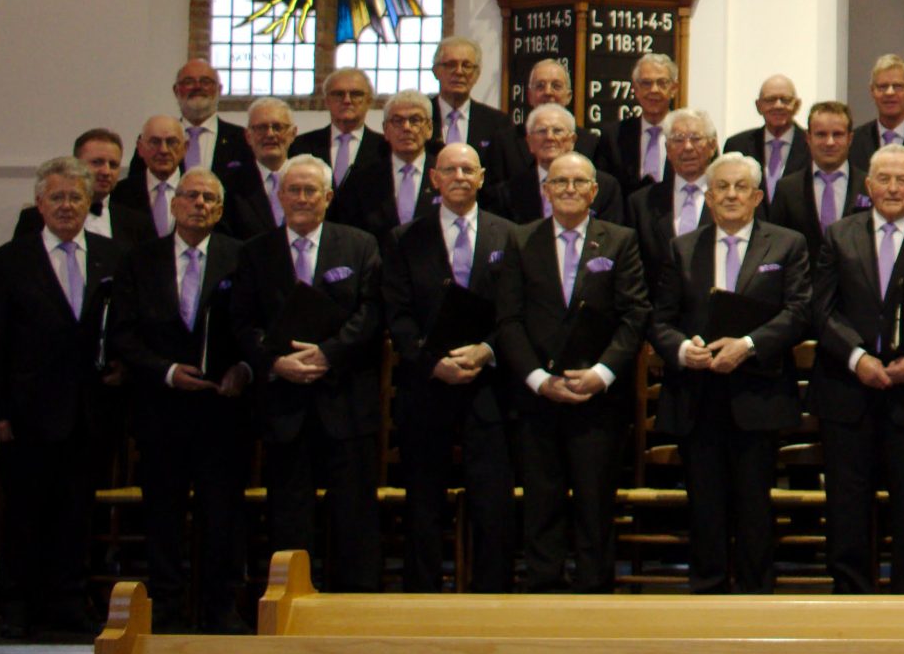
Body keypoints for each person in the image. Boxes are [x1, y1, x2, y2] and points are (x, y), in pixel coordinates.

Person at [648, 153, 811, 594]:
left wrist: (749, 346)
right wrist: (683, 350)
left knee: (755, 503)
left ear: (758, 196)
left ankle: (757, 594)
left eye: (741, 187)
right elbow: (660, 319)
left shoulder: (787, 244)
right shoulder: (682, 247)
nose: (732, 195)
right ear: (708, 195)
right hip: (698, 393)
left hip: (758, 394)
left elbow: (799, 312)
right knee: (704, 502)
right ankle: (707, 591)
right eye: (722, 187)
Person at [810, 144, 904, 594]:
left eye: (902, 180)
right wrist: (857, 358)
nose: (893, 187)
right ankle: (851, 590)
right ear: (868, 185)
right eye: (884, 179)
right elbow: (821, 310)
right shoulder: (838, 235)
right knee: (846, 499)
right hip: (847, 389)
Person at [497, 155, 651, 592]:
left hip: (597, 399)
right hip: (537, 397)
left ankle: (594, 595)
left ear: (593, 190)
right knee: (541, 503)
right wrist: (538, 380)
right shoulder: (521, 239)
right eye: (559, 181)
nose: (568, 188)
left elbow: (634, 314)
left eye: (578, 181)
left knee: (594, 504)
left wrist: (602, 374)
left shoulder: (620, 240)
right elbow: (508, 319)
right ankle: (543, 594)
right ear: (545, 189)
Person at [111, 165, 250, 631]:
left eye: (210, 199)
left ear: (221, 209)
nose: (199, 205)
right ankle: (167, 607)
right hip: (161, 409)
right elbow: (123, 335)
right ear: (173, 204)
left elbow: (255, 329)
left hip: (221, 412)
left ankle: (218, 607)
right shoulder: (140, 260)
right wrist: (167, 372)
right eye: (191, 196)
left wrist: (244, 369)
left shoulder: (241, 257)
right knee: (163, 513)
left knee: (221, 514)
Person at [0, 156, 129, 639]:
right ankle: (16, 603)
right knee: (25, 513)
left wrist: (121, 367)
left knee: (77, 512)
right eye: (57, 197)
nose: (67, 205)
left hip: (90, 412)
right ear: (39, 203)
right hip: (27, 416)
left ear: (90, 201)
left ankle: (68, 603)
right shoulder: (9, 260)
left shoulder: (113, 256)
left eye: (75, 196)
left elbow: (124, 330)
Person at [379, 142, 519, 593]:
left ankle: (491, 599)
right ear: (434, 179)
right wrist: (429, 361)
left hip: (489, 388)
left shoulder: (510, 235)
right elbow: (397, 315)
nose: (459, 176)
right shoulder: (405, 239)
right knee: (423, 503)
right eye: (449, 169)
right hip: (427, 387)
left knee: (491, 503)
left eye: (468, 169)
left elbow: (517, 313)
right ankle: (421, 597)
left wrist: (487, 350)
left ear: (480, 178)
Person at [239, 155, 383, 592]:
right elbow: (242, 322)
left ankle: (354, 605)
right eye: (293, 190)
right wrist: (274, 362)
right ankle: (292, 600)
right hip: (285, 403)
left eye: (310, 191)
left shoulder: (359, 245)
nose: (301, 198)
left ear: (328, 197)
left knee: (353, 512)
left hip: (345, 400)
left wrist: (328, 354)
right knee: (289, 512)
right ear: (279, 196)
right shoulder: (256, 252)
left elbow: (372, 312)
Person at [426, 37, 524, 191]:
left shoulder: (498, 123)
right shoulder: (420, 118)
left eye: (466, 65)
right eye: (451, 64)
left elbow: (502, 180)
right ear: (436, 71)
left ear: (477, 74)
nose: (459, 72)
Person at [634, 107, 726, 270]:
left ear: (712, 147)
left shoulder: (729, 198)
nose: (688, 147)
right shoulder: (642, 202)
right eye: (678, 139)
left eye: (696, 138)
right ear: (668, 149)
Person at [336, 90, 436, 239]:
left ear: (429, 128)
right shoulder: (362, 180)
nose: (406, 127)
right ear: (386, 130)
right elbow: (348, 235)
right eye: (397, 120)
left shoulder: (446, 174)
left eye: (415, 120)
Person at [509, 103, 628, 226]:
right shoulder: (510, 191)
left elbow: (611, 238)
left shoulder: (605, 187)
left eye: (557, 131)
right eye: (542, 131)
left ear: (572, 140)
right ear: (529, 142)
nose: (549, 137)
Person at [769, 99, 869, 241]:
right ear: (808, 138)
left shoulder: (869, 186)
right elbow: (776, 243)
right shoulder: (787, 189)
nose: (830, 142)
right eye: (821, 134)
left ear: (850, 138)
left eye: (838, 134)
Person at [14, 127, 124, 245]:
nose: (106, 171)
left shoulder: (135, 222)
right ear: (75, 164)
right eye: (97, 162)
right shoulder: (33, 218)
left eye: (113, 165)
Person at [289, 67, 384, 188]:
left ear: (369, 101)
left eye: (356, 94)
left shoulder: (385, 148)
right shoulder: (300, 146)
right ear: (327, 101)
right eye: (338, 94)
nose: (347, 100)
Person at [604, 52, 681, 195]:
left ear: (674, 89)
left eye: (662, 83)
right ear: (636, 89)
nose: (654, 90)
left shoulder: (690, 136)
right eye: (646, 83)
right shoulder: (613, 136)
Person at [220, 99, 296, 242]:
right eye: (261, 128)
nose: (270, 134)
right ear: (248, 136)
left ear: (293, 134)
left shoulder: (310, 180)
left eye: (278, 127)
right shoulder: (230, 185)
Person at [112, 114, 188, 247]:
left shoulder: (199, 193)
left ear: (185, 148)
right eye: (155, 142)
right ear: (140, 148)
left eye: (171, 142)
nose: (163, 150)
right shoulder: (119, 193)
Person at [172, 58, 253, 176]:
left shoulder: (242, 139)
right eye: (189, 82)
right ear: (176, 90)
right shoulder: (155, 140)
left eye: (205, 82)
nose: (197, 87)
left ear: (219, 90)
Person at [723, 73, 804, 191]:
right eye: (770, 100)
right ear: (758, 106)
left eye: (785, 100)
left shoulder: (812, 145)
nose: (778, 105)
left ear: (797, 105)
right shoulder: (737, 145)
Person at [522, 57, 605, 161]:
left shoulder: (590, 143)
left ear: (568, 96)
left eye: (556, 86)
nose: (548, 92)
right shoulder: (507, 143)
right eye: (540, 86)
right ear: (529, 96)